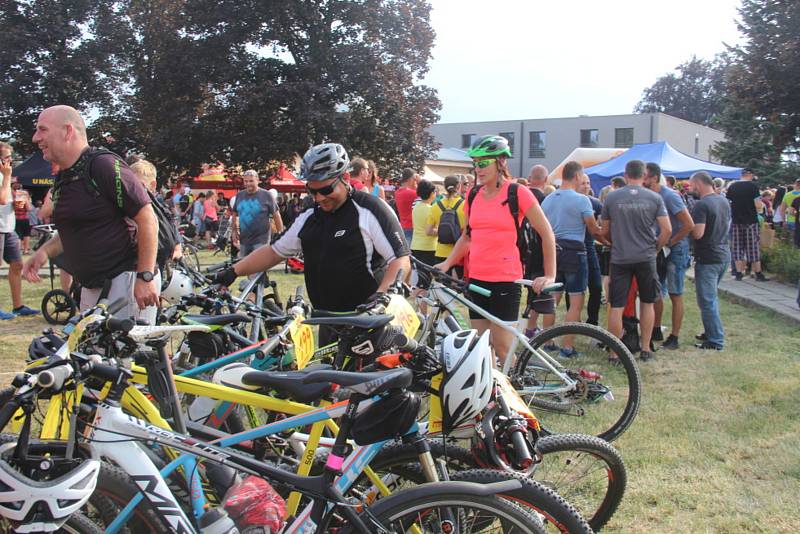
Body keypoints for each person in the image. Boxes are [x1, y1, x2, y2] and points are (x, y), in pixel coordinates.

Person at [213, 143, 410, 344]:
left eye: (326, 189)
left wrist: (381, 297)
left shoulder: (371, 209)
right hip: (327, 319)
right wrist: (232, 272)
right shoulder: (310, 215)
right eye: (312, 191)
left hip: (369, 322)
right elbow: (273, 252)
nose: (320, 198)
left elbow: (400, 259)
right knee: (326, 374)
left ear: (346, 178)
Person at [23, 105, 159, 323]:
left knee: (131, 357)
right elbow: (77, 230)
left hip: (126, 282)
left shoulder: (104, 165)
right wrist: (44, 252)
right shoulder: (64, 177)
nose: (35, 137)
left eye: (42, 129)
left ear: (68, 131)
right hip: (92, 286)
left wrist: (145, 276)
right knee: (91, 356)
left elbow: (147, 219)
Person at [435, 135, 556, 366]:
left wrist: (549, 274)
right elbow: (467, 237)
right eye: (475, 164)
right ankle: (493, 396)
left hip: (505, 280)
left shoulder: (517, 193)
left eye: (483, 163)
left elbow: (546, 233)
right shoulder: (472, 195)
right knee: (481, 346)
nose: (477, 169)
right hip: (476, 280)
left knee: (502, 346)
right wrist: (448, 263)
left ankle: (515, 392)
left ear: (500, 162)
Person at [600, 160, 671, 362]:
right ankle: (646, 348)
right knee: (647, 302)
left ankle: (615, 352)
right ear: (644, 174)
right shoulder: (655, 198)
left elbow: (604, 230)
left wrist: (614, 242)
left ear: (625, 173)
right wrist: (656, 247)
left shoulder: (612, 197)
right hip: (646, 256)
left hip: (620, 257)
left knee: (616, 305)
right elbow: (667, 230)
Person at [540, 162, 605, 357]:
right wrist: (608, 240)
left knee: (552, 298)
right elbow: (593, 229)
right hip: (575, 251)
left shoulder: (547, 200)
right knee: (576, 300)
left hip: (553, 251)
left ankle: (547, 341)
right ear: (577, 176)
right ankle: (568, 347)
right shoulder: (582, 200)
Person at [644, 162, 695, 350]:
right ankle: (656, 328)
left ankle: (674, 336)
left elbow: (688, 224)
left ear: (654, 178)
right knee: (656, 292)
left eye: (645, 177)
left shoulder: (670, 196)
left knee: (675, 293)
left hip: (675, 250)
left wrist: (671, 242)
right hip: (659, 248)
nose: (642, 180)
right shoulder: (651, 196)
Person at [689, 171, 731, 350]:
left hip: (708, 257)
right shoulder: (723, 200)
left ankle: (715, 340)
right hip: (723, 254)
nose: (691, 189)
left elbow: (698, 232)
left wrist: (686, 230)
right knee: (711, 298)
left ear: (698, 184)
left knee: (707, 300)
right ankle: (711, 331)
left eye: (692, 186)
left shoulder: (701, 205)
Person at [0, 142, 40, 319]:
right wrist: (7, 177)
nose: (10, 161)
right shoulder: (5, 176)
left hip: (8, 226)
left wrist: (18, 202)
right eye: (7, 157)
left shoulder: (7, 177)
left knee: (17, 264)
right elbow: (1, 199)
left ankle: (18, 306)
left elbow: (8, 202)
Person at [522, 164, 556, 336]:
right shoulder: (544, 200)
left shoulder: (520, 197)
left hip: (522, 256)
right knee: (545, 298)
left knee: (532, 295)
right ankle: (547, 338)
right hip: (540, 255)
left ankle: (530, 329)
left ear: (530, 178)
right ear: (545, 180)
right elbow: (547, 232)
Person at [726, 168, 767, 281]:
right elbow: (758, 204)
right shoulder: (753, 187)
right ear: (750, 175)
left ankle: (738, 273)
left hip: (736, 221)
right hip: (750, 221)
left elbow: (728, 202)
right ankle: (758, 273)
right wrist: (760, 208)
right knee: (752, 247)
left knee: (738, 247)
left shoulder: (732, 187)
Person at [231, 169, 283, 258]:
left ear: (257, 180)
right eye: (246, 181)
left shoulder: (266, 195)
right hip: (244, 239)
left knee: (259, 268)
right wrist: (234, 231)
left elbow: (276, 215)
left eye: (251, 181)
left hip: (261, 240)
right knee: (244, 266)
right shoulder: (240, 195)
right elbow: (235, 214)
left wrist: (280, 234)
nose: (248, 184)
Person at [578, 172, 605, 327]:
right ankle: (575, 320)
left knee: (596, 286)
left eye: (588, 183)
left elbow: (601, 226)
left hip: (590, 247)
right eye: (583, 183)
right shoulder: (573, 201)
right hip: (575, 249)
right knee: (575, 289)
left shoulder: (595, 203)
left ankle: (593, 320)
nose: (587, 186)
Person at [426, 175, 466, 277]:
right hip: (460, 253)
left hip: (441, 252)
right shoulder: (465, 205)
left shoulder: (435, 206)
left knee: (442, 288)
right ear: (458, 186)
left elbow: (429, 231)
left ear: (444, 186)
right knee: (460, 288)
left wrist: (441, 232)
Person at [410, 180, 437, 266]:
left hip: (415, 245)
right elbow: (431, 230)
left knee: (421, 275)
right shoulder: (432, 209)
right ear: (431, 193)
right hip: (429, 246)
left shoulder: (416, 207)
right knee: (427, 277)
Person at [395, 168, 419, 243]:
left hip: (403, 226)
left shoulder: (397, 192)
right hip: (411, 227)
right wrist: (419, 182)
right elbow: (427, 195)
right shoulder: (412, 193)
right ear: (411, 179)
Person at [12, 180, 33, 255]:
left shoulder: (11, 194)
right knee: (26, 234)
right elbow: (29, 208)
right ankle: (25, 250)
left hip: (15, 218)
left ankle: (17, 251)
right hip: (24, 218)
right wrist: (26, 199)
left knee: (18, 235)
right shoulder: (22, 195)